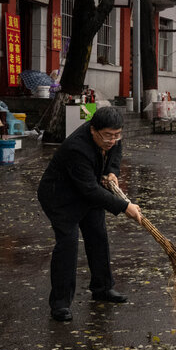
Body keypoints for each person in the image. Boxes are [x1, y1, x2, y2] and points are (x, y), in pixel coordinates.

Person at [37, 106, 142, 322]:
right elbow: (90, 190)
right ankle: (60, 304)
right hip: (60, 197)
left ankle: (103, 288)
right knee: (68, 244)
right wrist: (124, 206)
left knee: (98, 236)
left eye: (117, 135)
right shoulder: (77, 148)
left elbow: (116, 151)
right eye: (108, 136)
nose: (112, 140)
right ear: (93, 130)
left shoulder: (110, 136)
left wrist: (112, 171)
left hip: (87, 191)